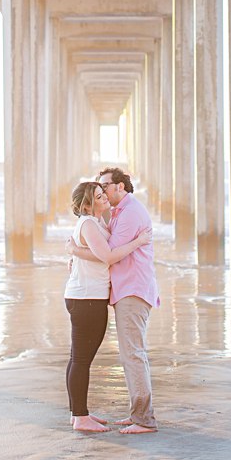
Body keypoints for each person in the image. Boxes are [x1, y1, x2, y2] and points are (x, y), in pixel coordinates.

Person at [70, 167, 161, 433]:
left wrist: (75, 250)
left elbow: (109, 254)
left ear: (119, 186)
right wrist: (76, 251)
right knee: (128, 354)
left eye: (105, 186)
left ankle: (144, 419)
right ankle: (137, 415)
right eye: (99, 189)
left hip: (132, 289)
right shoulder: (118, 213)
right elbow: (100, 245)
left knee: (133, 354)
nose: (104, 192)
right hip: (125, 289)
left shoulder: (130, 213)